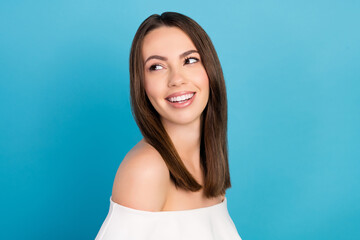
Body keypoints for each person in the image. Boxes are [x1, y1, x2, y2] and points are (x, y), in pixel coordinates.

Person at [95, 12, 242, 240]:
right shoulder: (146, 169)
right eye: (156, 67)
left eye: (190, 60)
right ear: (141, 84)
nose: (176, 79)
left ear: (210, 71)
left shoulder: (209, 164)